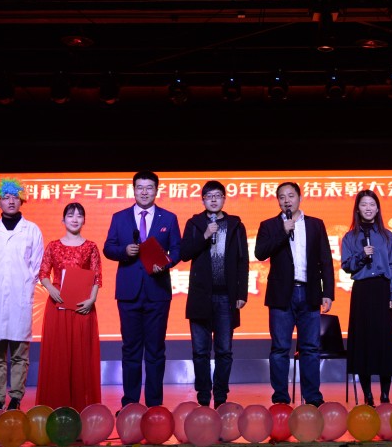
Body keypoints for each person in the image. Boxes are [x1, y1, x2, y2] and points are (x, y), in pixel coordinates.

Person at [102, 171, 181, 409]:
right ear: (133, 190)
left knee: (156, 351)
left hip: (157, 292)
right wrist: (124, 251)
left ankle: (155, 406)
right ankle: (130, 404)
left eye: (149, 188)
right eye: (140, 187)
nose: (144, 192)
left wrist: (165, 263)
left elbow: (177, 250)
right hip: (129, 293)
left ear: (156, 190)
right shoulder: (119, 217)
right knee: (131, 350)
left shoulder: (169, 218)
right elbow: (108, 248)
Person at [254, 181, 334, 407]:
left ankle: (313, 397)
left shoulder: (316, 224)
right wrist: (283, 231)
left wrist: (327, 292)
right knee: (280, 349)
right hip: (282, 295)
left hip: (309, 293)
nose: (286, 200)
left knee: (310, 348)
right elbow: (260, 253)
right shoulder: (269, 225)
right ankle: (280, 398)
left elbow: (326, 260)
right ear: (277, 201)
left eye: (291, 196)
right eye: (282, 197)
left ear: (300, 197)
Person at [179, 180, 249, 409]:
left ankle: (220, 396)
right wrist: (205, 235)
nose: (214, 200)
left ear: (224, 199)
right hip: (201, 297)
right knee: (200, 351)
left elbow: (243, 261)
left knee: (224, 351)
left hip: (226, 297)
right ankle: (202, 396)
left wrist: (241, 292)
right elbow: (185, 253)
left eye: (218, 195)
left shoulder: (235, 225)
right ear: (203, 200)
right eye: (209, 196)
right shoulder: (195, 223)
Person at [0, 177, 44, 416]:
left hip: (20, 298)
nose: (11, 201)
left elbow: (36, 266)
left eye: (15, 196)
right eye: (6, 197)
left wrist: (23, 286)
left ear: (22, 199)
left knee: (19, 354)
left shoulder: (32, 231)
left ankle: (15, 398)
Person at [36, 202, 102, 412]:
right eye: (71, 215)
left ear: (84, 220)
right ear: (63, 220)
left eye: (79, 215)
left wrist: (92, 300)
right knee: (59, 358)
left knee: (82, 358)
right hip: (58, 306)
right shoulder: (53, 246)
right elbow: (43, 273)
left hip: (83, 307)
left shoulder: (91, 247)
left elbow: (97, 277)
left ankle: (82, 410)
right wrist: (51, 290)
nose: (75, 219)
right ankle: (56, 408)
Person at [340, 189, 392, 407]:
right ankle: (367, 395)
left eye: (372, 204)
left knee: (385, 341)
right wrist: (361, 255)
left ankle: (385, 394)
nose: (368, 208)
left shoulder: (387, 236)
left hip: (382, 289)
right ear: (357, 209)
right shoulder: (350, 237)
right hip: (362, 290)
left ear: (377, 209)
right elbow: (346, 265)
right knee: (363, 342)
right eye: (364, 204)